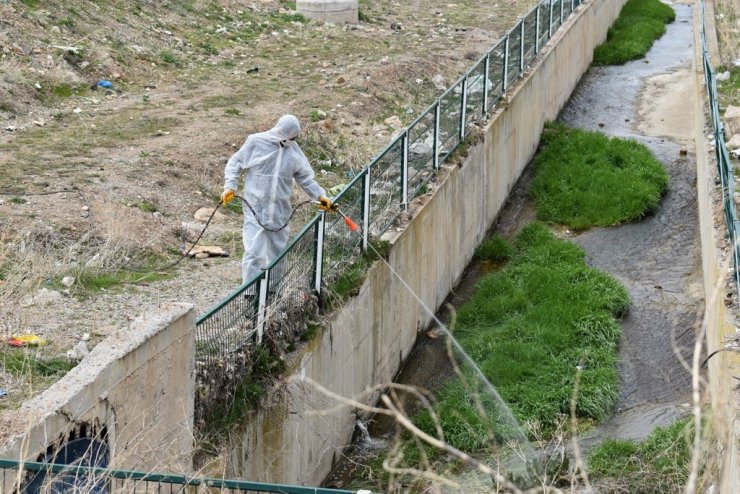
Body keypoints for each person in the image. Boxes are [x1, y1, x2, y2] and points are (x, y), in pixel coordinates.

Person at [220, 114, 332, 286]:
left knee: (278, 253)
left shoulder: (293, 150)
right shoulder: (256, 142)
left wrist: (320, 195)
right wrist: (230, 187)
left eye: (295, 137)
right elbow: (235, 163)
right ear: (283, 131)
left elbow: (305, 178)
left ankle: (274, 290)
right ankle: (251, 292)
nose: (293, 140)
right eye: (292, 136)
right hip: (255, 207)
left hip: (280, 209)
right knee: (254, 251)